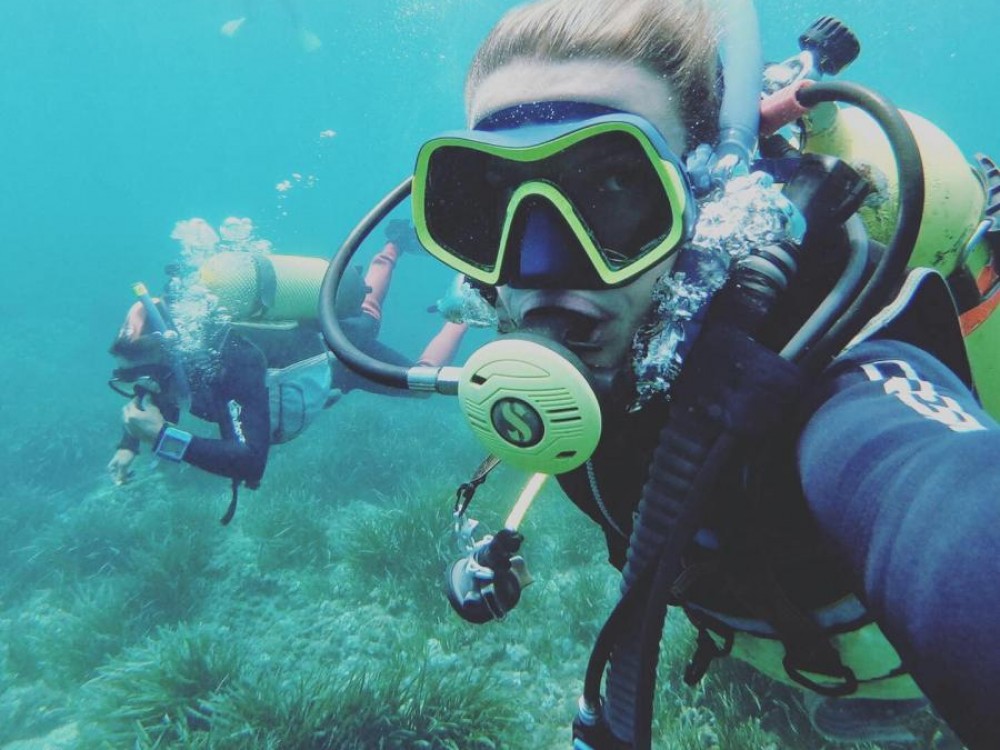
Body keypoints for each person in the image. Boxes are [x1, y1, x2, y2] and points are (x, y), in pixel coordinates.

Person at [361, 1, 1000, 748]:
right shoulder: (585, 370)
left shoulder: (829, 371)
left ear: (707, 206)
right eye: (495, 199)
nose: (540, 267)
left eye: (615, 188)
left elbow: (935, 501)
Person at [108, 221, 466, 523]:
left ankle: (467, 305)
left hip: (345, 357)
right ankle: (395, 243)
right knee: (367, 311)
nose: (142, 389)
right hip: (324, 327)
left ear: (168, 357)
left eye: (141, 378)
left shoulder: (231, 362)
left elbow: (250, 462)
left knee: (418, 380)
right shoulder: (184, 347)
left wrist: (161, 438)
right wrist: (129, 444)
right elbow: (157, 391)